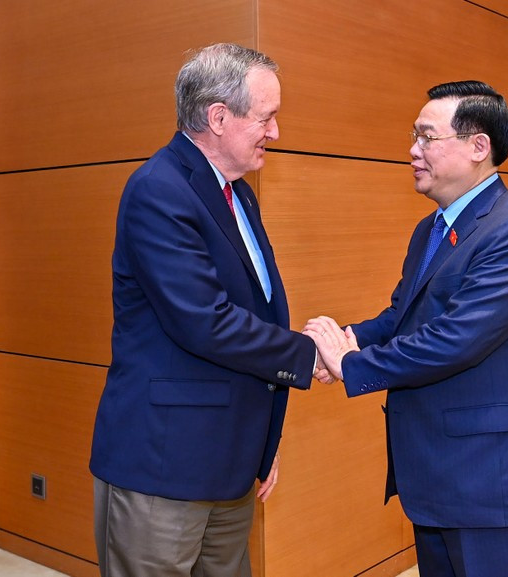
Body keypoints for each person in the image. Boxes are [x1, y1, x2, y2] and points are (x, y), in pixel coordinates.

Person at [305, 80, 508, 577]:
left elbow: (456, 340)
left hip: (493, 484)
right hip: (437, 477)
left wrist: (350, 365)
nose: (413, 150)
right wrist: (346, 339)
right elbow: (402, 318)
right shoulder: (431, 229)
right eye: (414, 136)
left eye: (428, 137)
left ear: (478, 147)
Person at [89, 43, 330, 577]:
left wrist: (264, 443)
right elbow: (204, 320)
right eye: (266, 118)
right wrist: (309, 353)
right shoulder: (159, 189)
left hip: (230, 462)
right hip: (164, 466)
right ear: (219, 117)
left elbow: (259, 312)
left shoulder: (237, 194)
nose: (275, 132)